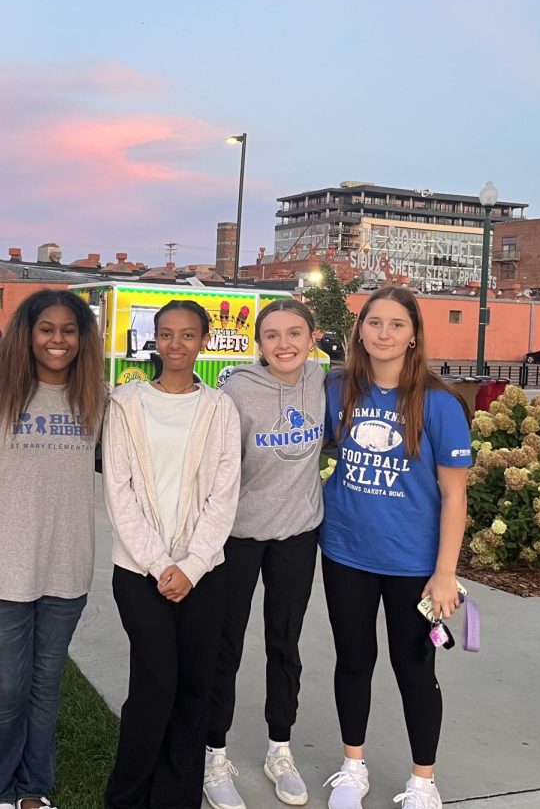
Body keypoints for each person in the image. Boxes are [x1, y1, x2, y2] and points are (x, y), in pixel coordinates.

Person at [320, 286, 471, 809]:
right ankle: (352, 767)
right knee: (353, 660)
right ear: (359, 331)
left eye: (396, 325)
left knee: (415, 670)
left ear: (413, 336)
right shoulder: (337, 390)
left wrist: (445, 572)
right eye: (374, 322)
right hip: (345, 552)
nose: (383, 333)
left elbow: (454, 495)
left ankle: (423, 781)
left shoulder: (439, 403)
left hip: (413, 564)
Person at [0, 290, 107, 809]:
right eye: (47, 328)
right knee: (7, 689)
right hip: (0, 565)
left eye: (69, 330)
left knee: (46, 688)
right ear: (28, 334)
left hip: (67, 566)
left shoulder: (96, 401)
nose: (58, 339)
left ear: (83, 338)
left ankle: (34, 790)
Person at [103, 299, 242, 809]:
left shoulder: (220, 409)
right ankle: (127, 796)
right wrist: (162, 566)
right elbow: (118, 492)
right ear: (153, 340)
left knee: (193, 689)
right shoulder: (126, 403)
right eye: (166, 334)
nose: (176, 344)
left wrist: (192, 565)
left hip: (204, 572)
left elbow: (225, 493)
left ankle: (177, 797)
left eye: (187, 335)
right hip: (139, 572)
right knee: (154, 686)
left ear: (203, 341)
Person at [203, 301, 325, 809]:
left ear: (312, 337)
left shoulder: (322, 382)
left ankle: (280, 748)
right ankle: (213, 754)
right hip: (240, 535)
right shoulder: (236, 392)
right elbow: (216, 467)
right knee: (225, 646)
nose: (284, 344)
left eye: (294, 333)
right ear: (259, 343)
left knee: (285, 643)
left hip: (297, 534)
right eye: (272, 335)